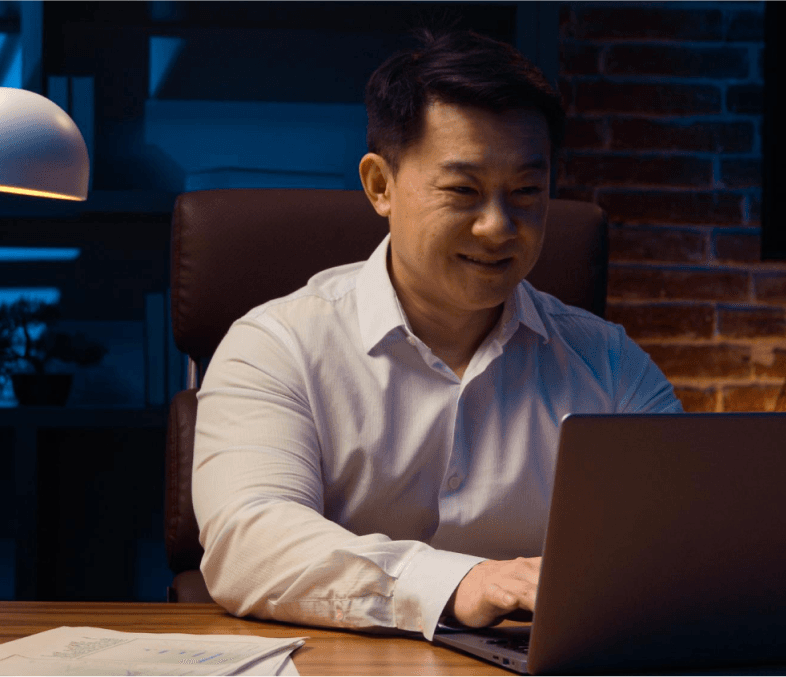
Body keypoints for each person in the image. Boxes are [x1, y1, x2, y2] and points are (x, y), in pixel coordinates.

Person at [192, 28, 682, 641]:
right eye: (463, 191)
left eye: (528, 192)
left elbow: (676, 544)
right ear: (380, 186)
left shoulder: (609, 364)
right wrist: (460, 583)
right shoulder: (276, 345)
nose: (499, 226)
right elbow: (250, 541)